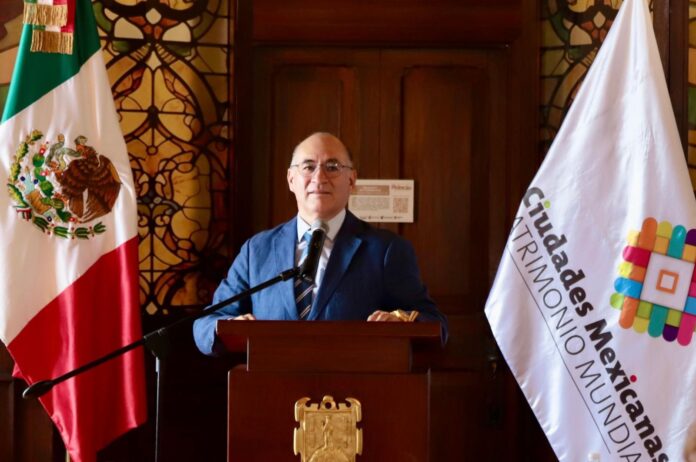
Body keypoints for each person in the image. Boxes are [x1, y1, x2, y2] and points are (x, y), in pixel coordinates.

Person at [193, 132, 448, 356]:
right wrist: (230, 327)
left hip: (355, 390)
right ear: (291, 179)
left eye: (332, 166)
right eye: (308, 167)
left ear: (351, 180)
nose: (319, 177)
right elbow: (207, 322)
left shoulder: (386, 250)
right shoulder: (257, 251)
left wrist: (400, 322)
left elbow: (436, 325)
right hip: (271, 386)